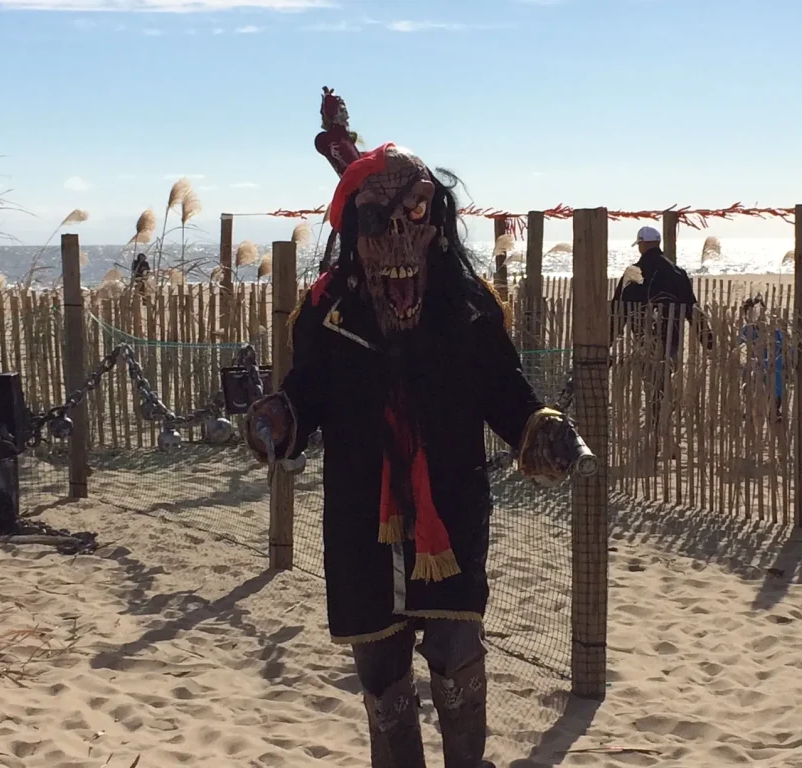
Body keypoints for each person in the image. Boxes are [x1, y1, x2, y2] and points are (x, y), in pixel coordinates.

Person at [243, 87, 580, 768]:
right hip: (360, 516)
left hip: (451, 507)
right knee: (380, 670)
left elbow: (506, 392)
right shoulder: (331, 315)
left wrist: (537, 430)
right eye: (379, 222)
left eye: (416, 213)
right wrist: (283, 416)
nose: (399, 240)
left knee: (457, 655)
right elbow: (308, 392)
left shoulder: (468, 309)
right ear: (353, 232)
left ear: (438, 218)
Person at [609, 226, 714, 445]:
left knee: (651, 384)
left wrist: (608, 341)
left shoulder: (632, 274)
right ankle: (662, 428)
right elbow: (693, 311)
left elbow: (618, 312)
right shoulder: (677, 273)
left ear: (642, 245)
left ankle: (655, 429)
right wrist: (709, 342)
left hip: (643, 340)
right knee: (665, 382)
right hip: (671, 340)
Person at [738, 295, 787, 425]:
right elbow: (736, 345)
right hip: (755, 364)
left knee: (776, 378)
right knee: (747, 376)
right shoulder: (747, 330)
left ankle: (774, 408)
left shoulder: (773, 331)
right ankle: (749, 407)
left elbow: (783, 348)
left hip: (772, 363)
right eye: (749, 314)